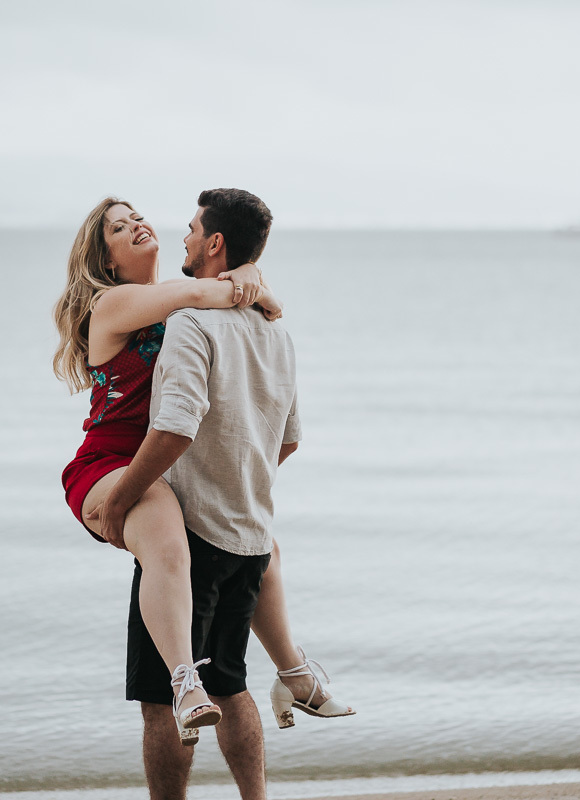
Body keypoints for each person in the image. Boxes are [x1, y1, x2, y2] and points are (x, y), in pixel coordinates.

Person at [51, 194, 353, 757]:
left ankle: (293, 671)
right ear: (106, 259)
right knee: (166, 526)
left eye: (138, 215)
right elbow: (212, 293)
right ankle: (185, 682)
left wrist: (252, 279)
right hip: (107, 466)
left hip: (161, 470)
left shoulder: (178, 308)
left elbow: (266, 308)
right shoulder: (115, 303)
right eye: (120, 226)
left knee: (258, 541)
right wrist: (249, 279)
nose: (138, 223)